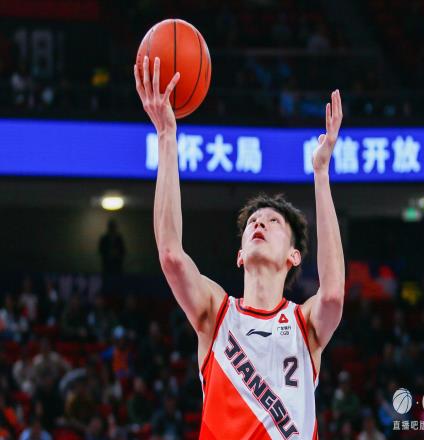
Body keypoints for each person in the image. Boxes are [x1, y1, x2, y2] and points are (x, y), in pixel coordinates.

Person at [134, 56, 345, 439]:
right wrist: (166, 135)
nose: (259, 224)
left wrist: (321, 174)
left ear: (293, 256)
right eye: (253, 223)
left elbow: (332, 294)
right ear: (240, 255)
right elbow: (170, 255)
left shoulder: (305, 325)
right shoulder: (217, 314)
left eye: (273, 222)